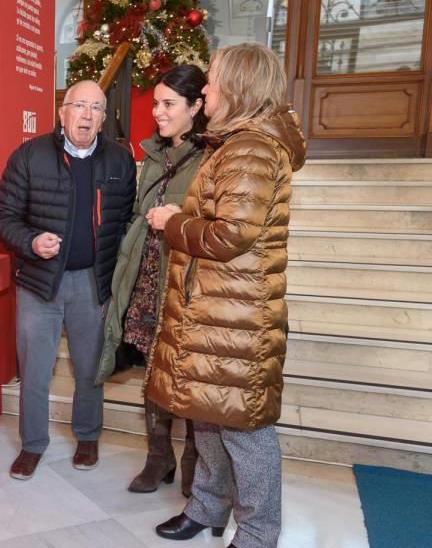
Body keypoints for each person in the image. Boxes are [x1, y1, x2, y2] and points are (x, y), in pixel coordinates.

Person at [145, 44, 305, 548]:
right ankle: (207, 507)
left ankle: (257, 535)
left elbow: (230, 234)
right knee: (208, 417)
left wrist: (174, 223)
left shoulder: (253, 149)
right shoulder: (236, 143)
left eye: (212, 81)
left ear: (237, 87)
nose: (206, 89)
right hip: (216, 313)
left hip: (237, 317)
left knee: (245, 433)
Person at [0, 80, 137, 480]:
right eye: (79, 105)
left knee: (91, 368)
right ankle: (32, 445)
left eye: (96, 108)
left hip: (93, 283)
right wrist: (32, 240)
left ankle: (87, 437)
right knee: (35, 369)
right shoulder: (29, 156)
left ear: (105, 118)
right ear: (63, 111)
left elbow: (126, 222)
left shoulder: (120, 161)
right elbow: (2, 218)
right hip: (39, 283)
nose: (87, 115)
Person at [98, 65, 208, 497]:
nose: (158, 112)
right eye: (156, 102)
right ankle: (158, 457)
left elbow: (212, 224)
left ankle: (195, 463)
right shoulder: (154, 155)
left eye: (168, 104)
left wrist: (178, 217)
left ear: (197, 106)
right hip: (146, 277)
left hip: (185, 282)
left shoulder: (211, 156)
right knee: (153, 374)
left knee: (191, 378)